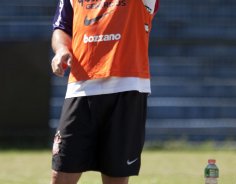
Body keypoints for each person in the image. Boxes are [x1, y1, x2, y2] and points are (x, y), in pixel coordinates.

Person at [50, 0, 159, 183]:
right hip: (80, 88)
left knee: (116, 177)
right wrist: (61, 49)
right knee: (61, 173)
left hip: (127, 87)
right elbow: (62, 27)